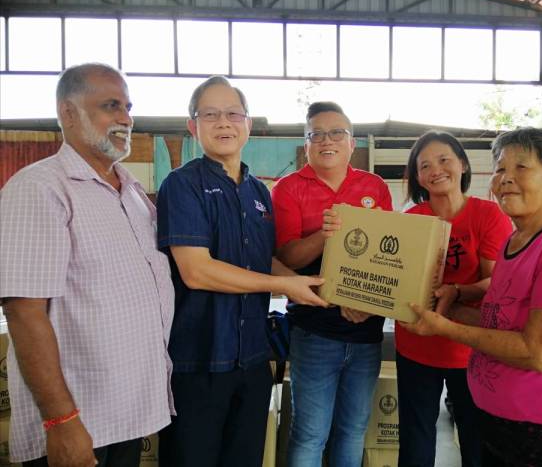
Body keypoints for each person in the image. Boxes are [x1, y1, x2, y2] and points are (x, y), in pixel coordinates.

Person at [0, 63, 175, 467]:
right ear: (68, 113)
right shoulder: (41, 188)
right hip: (78, 420)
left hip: (125, 415)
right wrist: (61, 420)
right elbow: (25, 313)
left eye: (128, 107)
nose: (126, 119)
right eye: (110, 105)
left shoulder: (130, 192)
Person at [402, 128, 542, 467]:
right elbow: (500, 317)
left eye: (521, 168)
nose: (506, 178)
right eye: (499, 169)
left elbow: (541, 354)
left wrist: (445, 326)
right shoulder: (517, 241)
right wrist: (451, 302)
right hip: (502, 423)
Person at [156, 76, 327, 467]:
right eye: (210, 114)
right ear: (192, 126)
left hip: (252, 361)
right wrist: (285, 284)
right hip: (198, 362)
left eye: (233, 113)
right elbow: (197, 271)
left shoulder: (258, 192)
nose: (223, 123)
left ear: (248, 124)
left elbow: (261, 258)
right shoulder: (182, 186)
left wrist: (312, 285)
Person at [271, 101, 393, 467]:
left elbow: (388, 258)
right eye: (317, 134)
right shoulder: (288, 189)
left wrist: (369, 304)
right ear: (306, 144)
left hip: (365, 329)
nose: (327, 141)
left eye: (337, 132)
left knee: (353, 429)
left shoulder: (374, 186)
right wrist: (325, 235)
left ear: (352, 142)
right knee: (310, 433)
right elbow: (286, 259)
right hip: (315, 329)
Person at [394, 131, 513, 467]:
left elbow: (497, 281)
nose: (436, 170)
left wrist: (458, 291)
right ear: (418, 177)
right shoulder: (412, 220)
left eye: (444, 159)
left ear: (462, 163)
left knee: (475, 439)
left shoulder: (488, 216)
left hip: (469, 348)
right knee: (416, 438)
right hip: (416, 343)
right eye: (425, 165)